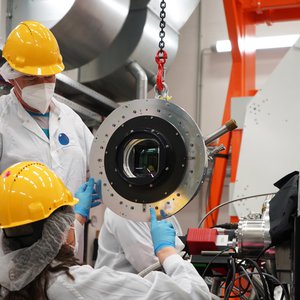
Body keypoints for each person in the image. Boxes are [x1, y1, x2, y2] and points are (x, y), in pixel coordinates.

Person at [0, 161, 211, 300]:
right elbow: (193, 295)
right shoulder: (79, 286)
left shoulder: (12, 279)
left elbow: (42, 256)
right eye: (68, 217)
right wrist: (167, 252)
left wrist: (79, 219)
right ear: (60, 228)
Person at [0, 20, 95, 260]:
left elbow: (99, 166)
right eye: (32, 79)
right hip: (14, 258)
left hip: (69, 255)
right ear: (12, 77)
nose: (42, 85)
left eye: (49, 77)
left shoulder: (71, 120)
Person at [95, 207, 185, 273]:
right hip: (117, 291)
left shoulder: (164, 210)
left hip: (141, 288)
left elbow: (181, 252)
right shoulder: (122, 211)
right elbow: (149, 267)